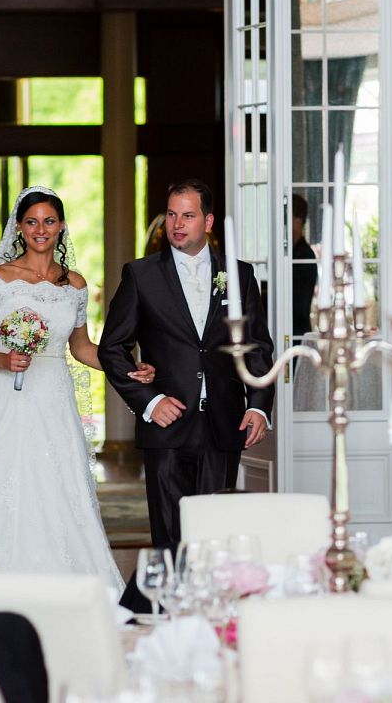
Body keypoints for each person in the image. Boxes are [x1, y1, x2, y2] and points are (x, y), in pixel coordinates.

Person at [0, 186, 153, 589]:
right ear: (20, 228)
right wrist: (3, 360)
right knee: (2, 481)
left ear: (61, 226)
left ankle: (68, 585)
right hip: (9, 399)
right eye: (32, 222)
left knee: (60, 485)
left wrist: (128, 368)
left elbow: (81, 348)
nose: (41, 229)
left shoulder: (74, 285)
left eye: (50, 221)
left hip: (55, 399)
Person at [98, 178, 275, 564]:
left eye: (188, 215)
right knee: (169, 537)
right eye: (172, 215)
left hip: (224, 423)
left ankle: (209, 616)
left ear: (208, 222)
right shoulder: (141, 275)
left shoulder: (240, 275)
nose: (177, 224)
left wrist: (259, 405)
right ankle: (170, 617)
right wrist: (149, 401)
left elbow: (259, 345)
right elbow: (112, 348)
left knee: (216, 532)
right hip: (166, 424)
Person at [290, 193, 317, 338]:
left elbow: (300, 304)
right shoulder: (288, 253)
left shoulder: (306, 255)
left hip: (297, 331)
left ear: (299, 219)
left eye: (288, 217)